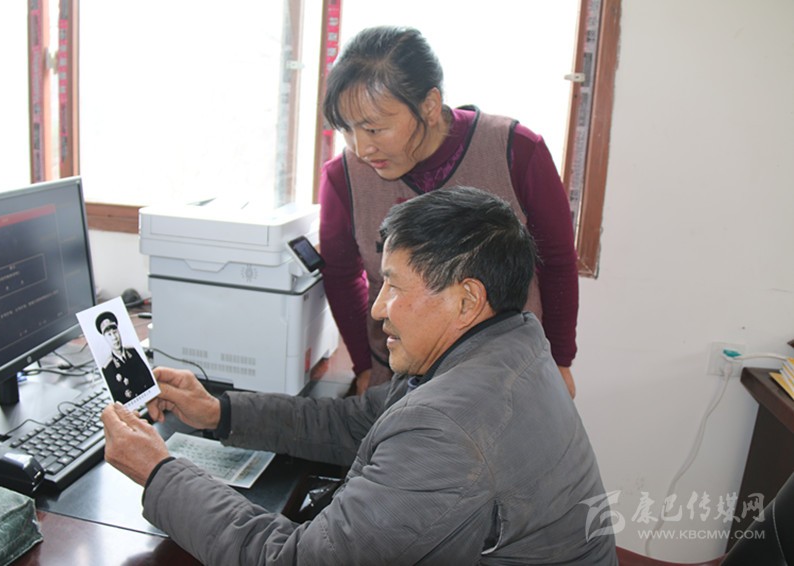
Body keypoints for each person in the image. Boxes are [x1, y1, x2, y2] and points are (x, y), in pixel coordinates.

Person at [101, 187, 616, 565]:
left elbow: (292, 562)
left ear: (466, 300)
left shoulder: (448, 429)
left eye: (394, 286)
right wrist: (219, 411)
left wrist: (159, 473)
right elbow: (354, 424)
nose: (377, 309)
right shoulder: (507, 343)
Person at [319, 26, 579, 397]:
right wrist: (364, 366)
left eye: (374, 129)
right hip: (397, 379)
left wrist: (560, 359)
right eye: (347, 129)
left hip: (506, 378)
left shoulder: (516, 151)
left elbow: (557, 260)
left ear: (429, 104)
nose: (361, 148)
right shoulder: (343, 178)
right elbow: (341, 276)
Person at [96, 311, 153, 403]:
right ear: (105, 338)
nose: (114, 338)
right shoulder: (108, 368)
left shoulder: (133, 352)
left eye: (115, 332)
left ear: (119, 332)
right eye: (109, 335)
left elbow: (149, 381)